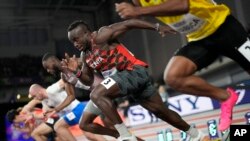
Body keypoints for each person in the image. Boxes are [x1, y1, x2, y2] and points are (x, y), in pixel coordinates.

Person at [115, 0, 250, 131]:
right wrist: (128, 13)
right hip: (198, 39)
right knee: (173, 77)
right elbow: (139, 13)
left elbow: (182, 4)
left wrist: (137, 10)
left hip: (223, 27)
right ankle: (225, 97)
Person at [63, 19, 207, 141]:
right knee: (161, 112)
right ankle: (198, 135)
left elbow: (129, 23)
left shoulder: (101, 35)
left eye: (76, 39)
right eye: (72, 42)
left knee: (96, 94)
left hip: (134, 72)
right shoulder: (84, 55)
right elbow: (88, 80)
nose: (75, 44)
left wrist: (157, 27)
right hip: (124, 82)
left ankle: (126, 136)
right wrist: (77, 72)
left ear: (86, 33)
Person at [42, 53, 142, 141]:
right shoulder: (64, 76)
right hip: (97, 97)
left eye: (47, 67)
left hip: (107, 90)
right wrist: (56, 109)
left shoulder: (75, 61)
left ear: (53, 61)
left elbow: (96, 65)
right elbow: (71, 96)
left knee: (106, 126)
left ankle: (118, 135)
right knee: (87, 125)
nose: (47, 70)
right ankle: (117, 135)